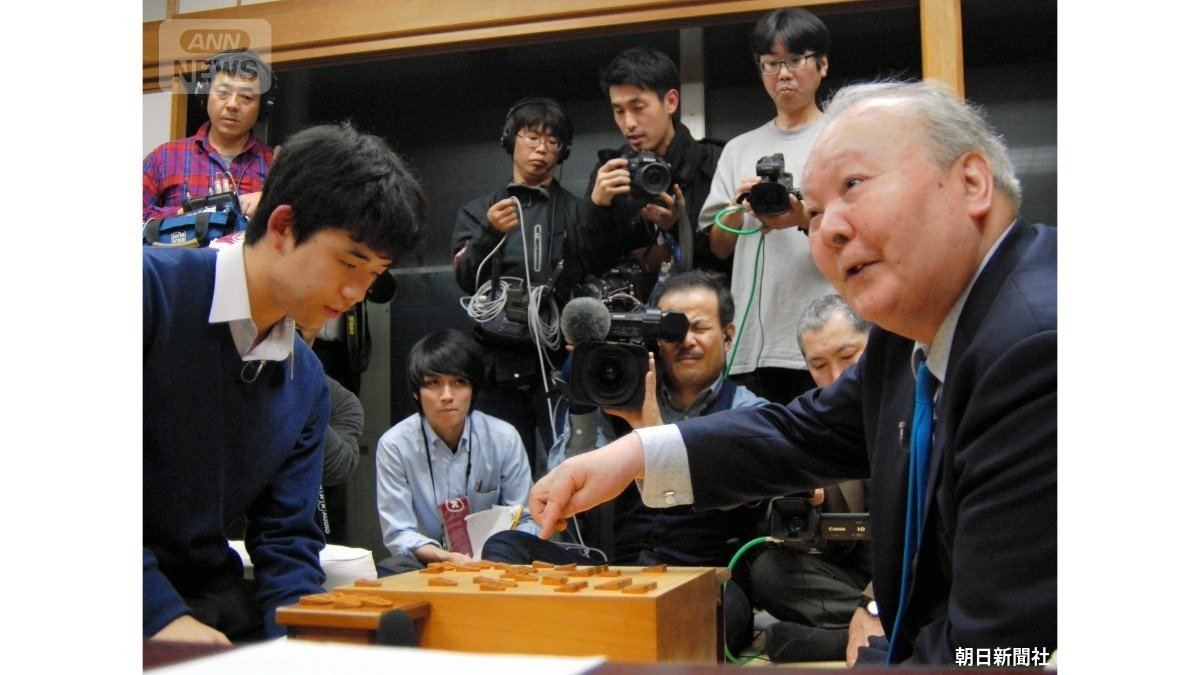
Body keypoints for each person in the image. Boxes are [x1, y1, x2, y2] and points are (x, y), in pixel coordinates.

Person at [529, 80, 1057, 666]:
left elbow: (1003, 652)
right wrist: (633, 455)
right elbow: (801, 433)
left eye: (852, 186)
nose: (827, 229)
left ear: (972, 182)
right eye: (818, 207)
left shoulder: (1038, 348)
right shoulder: (912, 339)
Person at [143, 123, 427, 645]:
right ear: (282, 226)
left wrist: (299, 644)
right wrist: (158, 618)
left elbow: (287, 540)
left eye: (374, 274)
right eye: (349, 262)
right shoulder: (149, 292)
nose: (355, 292)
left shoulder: (307, 381)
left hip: (211, 608)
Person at [482, 269, 768, 653]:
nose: (685, 340)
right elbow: (569, 482)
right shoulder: (620, 393)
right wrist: (583, 392)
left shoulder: (748, 409)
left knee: (727, 615)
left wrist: (653, 437)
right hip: (617, 574)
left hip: (705, 579)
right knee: (505, 548)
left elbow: (741, 489)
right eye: (671, 330)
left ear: (728, 335)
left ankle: (593, 640)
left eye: (698, 327)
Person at [698, 8, 836, 404]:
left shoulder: (841, 137)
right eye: (771, 64)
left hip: (827, 338)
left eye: (795, 60)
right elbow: (720, 246)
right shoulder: (739, 148)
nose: (784, 74)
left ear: (822, 65)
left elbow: (865, 232)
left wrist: (802, 218)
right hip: (752, 345)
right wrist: (739, 208)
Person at [451, 97, 587, 475]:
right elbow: (464, 280)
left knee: (573, 472)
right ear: (511, 140)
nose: (541, 149)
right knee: (501, 478)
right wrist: (488, 233)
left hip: (559, 369)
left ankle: (571, 538)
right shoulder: (480, 211)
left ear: (564, 150)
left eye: (552, 141)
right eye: (531, 137)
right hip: (495, 370)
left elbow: (591, 276)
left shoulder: (577, 213)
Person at [750, 294, 873, 662]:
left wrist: (875, 603)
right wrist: (799, 500)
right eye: (819, 365)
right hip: (849, 575)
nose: (837, 377)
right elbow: (774, 527)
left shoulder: (915, 400)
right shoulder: (809, 419)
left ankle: (854, 632)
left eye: (849, 357)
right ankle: (867, 631)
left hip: (913, 572)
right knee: (770, 571)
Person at [375, 329, 539, 575]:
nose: (447, 396)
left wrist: (497, 554)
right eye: (433, 383)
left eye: (459, 382)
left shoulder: (503, 439)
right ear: (415, 392)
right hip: (430, 560)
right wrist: (446, 557)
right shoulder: (395, 445)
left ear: (473, 388)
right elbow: (399, 533)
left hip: (497, 560)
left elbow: (527, 518)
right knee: (392, 569)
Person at [582, 46, 728, 299]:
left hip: (701, 322)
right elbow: (592, 266)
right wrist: (598, 208)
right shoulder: (612, 170)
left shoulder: (714, 163)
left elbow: (730, 262)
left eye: (638, 107)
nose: (629, 124)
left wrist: (678, 227)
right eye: (619, 111)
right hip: (629, 322)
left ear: (670, 101)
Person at [143, 49, 275, 223]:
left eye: (246, 97)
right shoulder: (165, 157)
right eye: (223, 92)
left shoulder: (276, 165)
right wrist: (186, 213)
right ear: (205, 94)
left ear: (262, 106)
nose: (233, 104)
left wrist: (270, 205)